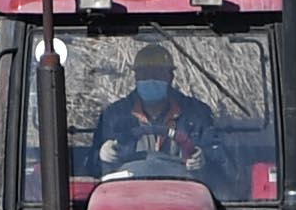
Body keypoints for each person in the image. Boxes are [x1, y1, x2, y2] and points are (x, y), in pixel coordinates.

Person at [85, 40, 218, 180]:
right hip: (128, 195)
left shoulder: (196, 115)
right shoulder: (114, 116)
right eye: (145, 74)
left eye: (158, 73)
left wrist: (204, 159)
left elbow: (222, 167)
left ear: (170, 77)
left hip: (182, 194)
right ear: (135, 77)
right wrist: (102, 155)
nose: (151, 79)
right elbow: (90, 169)